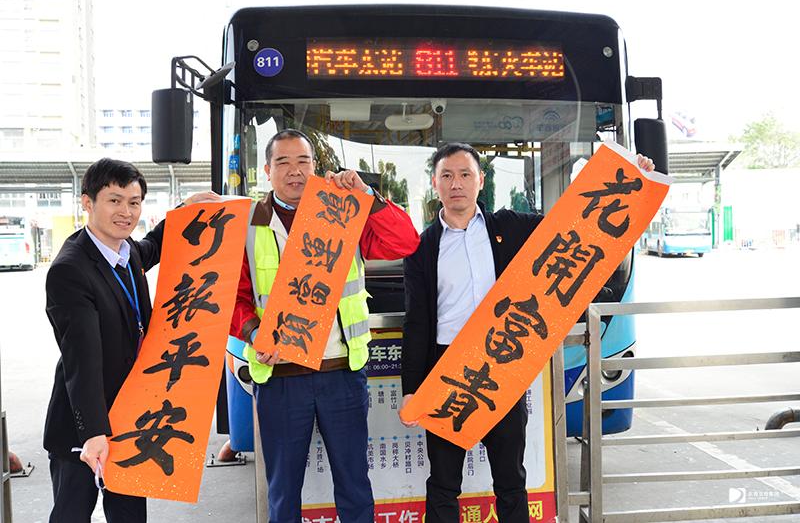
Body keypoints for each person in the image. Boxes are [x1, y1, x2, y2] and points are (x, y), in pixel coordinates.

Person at [400, 143, 655, 522]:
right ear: (435, 183)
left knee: (510, 479)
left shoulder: (509, 227)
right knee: (443, 483)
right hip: (447, 373)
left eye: (465, 174)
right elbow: (417, 322)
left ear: (480, 181)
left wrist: (630, 175)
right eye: (447, 176)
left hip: (501, 367)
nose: (456, 184)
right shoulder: (422, 248)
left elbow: (572, 222)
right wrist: (411, 389)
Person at [229, 129, 419, 522]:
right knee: (283, 492)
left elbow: (404, 242)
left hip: (341, 375)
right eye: (283, 162)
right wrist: (253, 333)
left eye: (303, 161)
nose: (294, 171)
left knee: (354, 484)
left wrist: (367, 195)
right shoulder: (247, 225)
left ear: (315, 168)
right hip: (280, 378)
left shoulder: (343, 212)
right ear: (267, 170)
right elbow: (234, 298)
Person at [44, 158, 218, 523]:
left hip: (133, 418)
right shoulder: (70, 270)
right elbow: (82, 361)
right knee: (71, 515)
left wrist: (186, 209)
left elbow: (154, 244)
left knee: (129, 516)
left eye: (134, 202)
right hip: (83, 429)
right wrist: (94, 433)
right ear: (88, 202)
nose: (126, 212)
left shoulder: (127, 252)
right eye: (115, 200)